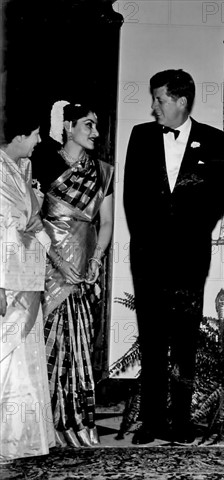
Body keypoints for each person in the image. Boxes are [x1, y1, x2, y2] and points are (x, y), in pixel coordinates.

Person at [123, 69, 224, 445]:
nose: (153, 107)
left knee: (185, 339)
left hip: (189, 254)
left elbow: (217, 198)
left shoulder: (213, 140)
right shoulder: (141, 136)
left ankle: (182, 421)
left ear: (182, 102)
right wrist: (148, 241)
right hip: (148, 254)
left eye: (160, 99)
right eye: (154, 100)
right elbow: (131, 198)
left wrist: (185, 235)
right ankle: (151, 421)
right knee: (152, 338)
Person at [35, 101, 114, 448]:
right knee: (45, 341)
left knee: (79, 341)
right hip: (48, 266)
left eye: (96, 126)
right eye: (88, 125)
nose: (95, 133)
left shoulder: (102, 171)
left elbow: (107, 221)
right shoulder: (43, 163)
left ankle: (77, 425)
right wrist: (54, 260)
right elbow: (32, 218)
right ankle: (43, 426)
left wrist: (96, 258)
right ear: (67, 126)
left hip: (83, 264)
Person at [1, 114, 54, 461]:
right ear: (20, 133)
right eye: (35, 134)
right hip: (6, 278)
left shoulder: (25, 167)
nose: (38, 141)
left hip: (28, 273)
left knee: (23, 356)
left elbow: (31, 218)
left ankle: (20, 437)